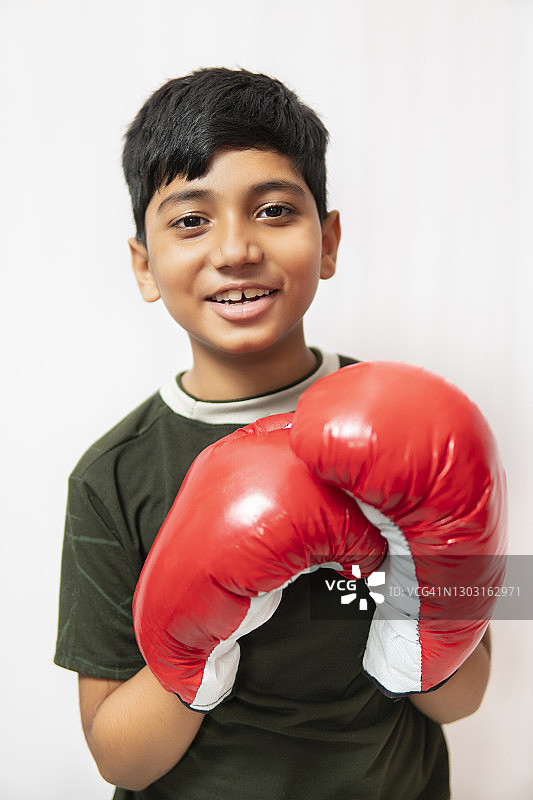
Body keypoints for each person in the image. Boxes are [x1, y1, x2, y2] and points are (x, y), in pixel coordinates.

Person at [54, 67, 491, 799]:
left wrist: (400, 579)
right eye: (190, 219)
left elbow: (468, 695)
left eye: (274, 210)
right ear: (144, 265)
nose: (234, 250)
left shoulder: (424, 420)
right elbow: (115, 758)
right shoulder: (109, 475)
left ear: (328, 240)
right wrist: (195, 638)